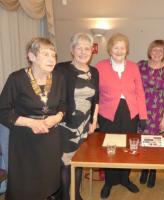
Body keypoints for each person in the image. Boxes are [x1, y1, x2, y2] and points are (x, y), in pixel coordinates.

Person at [0, 37, 66, 200]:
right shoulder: (16, 79)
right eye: (45, 54)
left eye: (53, 55)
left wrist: (57, 117)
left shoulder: (59, 78)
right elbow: (3, 111)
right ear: (32, 56)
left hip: (50, 138)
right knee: (26, 185)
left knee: (47, 181)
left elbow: (64, 105)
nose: (52, 59)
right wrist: (31, 123)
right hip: (25, 139)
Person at [96, 33, 147, 199]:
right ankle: (109, 181)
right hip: (108, 113)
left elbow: (140, 91)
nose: (119, 51)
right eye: (116, 47)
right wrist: (94, 117)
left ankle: (125, 179)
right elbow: (95, 94)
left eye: (122, 48)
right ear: (110, 49)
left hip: (130, 112)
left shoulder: (133, 67)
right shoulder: (100, 66)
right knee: (110, 147)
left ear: (127, 50)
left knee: (127, 147)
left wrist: (143, 115)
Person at [55, 33, 99, 200]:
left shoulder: (94, 72)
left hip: (85, 125)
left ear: (92, 51)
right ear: (72, 50)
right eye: (79, 48)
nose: (83, 51)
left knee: (79, 161)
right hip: (66, 125)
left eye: (87, 48)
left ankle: (76, 194)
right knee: (66, 164)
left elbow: (97, 99)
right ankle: (66, 196)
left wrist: (94, 120)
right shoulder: (61, 69)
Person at [137, 40, 164, 188]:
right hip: (142, 109)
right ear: (150, 51)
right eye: (154, 50)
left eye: (161, 51)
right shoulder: (140, 66)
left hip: (158, 110)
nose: (157, 53)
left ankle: (153, 171)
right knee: (142, 141)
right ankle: (144, 169)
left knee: (155, 143)